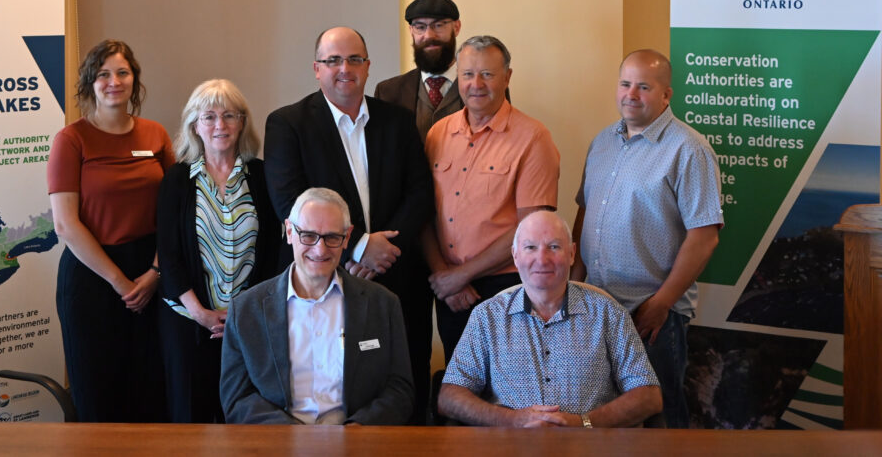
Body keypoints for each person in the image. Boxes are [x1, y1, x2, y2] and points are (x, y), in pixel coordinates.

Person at [263, 26, 434, 422]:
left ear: (368, 67)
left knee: (401, 390)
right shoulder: (288, 124)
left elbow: (420, 191)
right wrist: (357, 247)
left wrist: (383, 252)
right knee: (336, 384)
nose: (345, 69)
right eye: (333, 60)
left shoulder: (397, 120)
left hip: (396, 277)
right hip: (325, 277)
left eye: (355, 59)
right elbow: (289, 201)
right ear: (316, 69)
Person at [572, 49, 722, 428]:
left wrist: (662, 303)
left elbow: (704, 237)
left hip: (652, 313)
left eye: (644, 86)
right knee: (603, 413)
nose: (631, 94)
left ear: (666, 94)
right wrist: (573, 282)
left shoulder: (689, 149)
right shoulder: (603, 141)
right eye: (625, 84)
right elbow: (584, 212)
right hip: (597, 306)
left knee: (661, 417)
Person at [439, 210, 662, 428]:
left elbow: (648, 396)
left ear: (572, 254)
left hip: (590, 447)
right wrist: (512, 420)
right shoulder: (487, 317)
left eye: (554, 247)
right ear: (516, 256)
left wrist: (583, 423)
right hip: (508, 447)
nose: (542, 259)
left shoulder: (608, 314)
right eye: (530, 248)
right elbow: (449, 397)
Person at [48, 39, 172, 422]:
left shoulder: (155, 135)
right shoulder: (71, 140)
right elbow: (66, 224)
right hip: (92, 277)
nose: (114, 81)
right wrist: (120, 282)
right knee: (98, 392)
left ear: (134, 80)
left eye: (122, 72)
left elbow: (176, 209)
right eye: (103, 74)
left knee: (152, 387)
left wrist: (154, 273)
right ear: (90, 83)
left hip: (153, 273)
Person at [219, 187, 414, 425]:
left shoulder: (383, 304)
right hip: (277, 445)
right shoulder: (246, 310)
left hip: (358, 445)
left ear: (347, 237)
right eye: (308, 236)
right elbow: (237, 398)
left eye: (332, 237)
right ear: (289, 231)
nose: (320, 250)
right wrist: (292, 437)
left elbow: (399, 390)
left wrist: (355, 432)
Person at [423, 35, 560, 362]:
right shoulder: (438, 133)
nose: (476, 84)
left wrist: (461, 275)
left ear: (507, 77)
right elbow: (424, 214)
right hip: (449, 291)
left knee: (505, 392)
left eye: (488, 74)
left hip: (505, 289)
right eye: (468, 74)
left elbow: (532, 231)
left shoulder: (533, 138)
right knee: (459, 389)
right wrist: (446, 276)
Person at [155, 79, 280, 423]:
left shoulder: (263, 174)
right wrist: (200, 313)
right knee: (190, 419)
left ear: (243, 122)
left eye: (229, 115)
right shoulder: (177, 180)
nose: (220, 125)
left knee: (245, 417)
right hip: (187, 322)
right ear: (194, 125)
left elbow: (273, 252)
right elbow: (169, 255)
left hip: (249, 322)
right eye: (209, 117)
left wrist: (245, 315)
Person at [374, 0, 464, 142]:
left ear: (456, 27)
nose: (429, 35)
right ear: (411, 31)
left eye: (439, 25)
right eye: (420, 27)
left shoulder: (484, 87)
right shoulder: (387, 92)